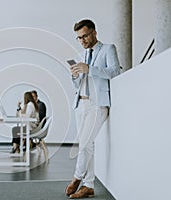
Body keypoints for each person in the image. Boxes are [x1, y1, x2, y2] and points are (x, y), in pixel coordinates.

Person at [65, 19, 121, 199]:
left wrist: (90, 68)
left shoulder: (108, 49)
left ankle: (77, 177)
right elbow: (78, 84)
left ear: (94, 32)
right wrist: (75, 75)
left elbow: (114, 72)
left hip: (97, 103)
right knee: (85, 144)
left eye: (84, 36)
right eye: (79, 38)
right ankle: (88, 185)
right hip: (80, 103)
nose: (82, 40)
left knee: (86, 143)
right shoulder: (81, 55)